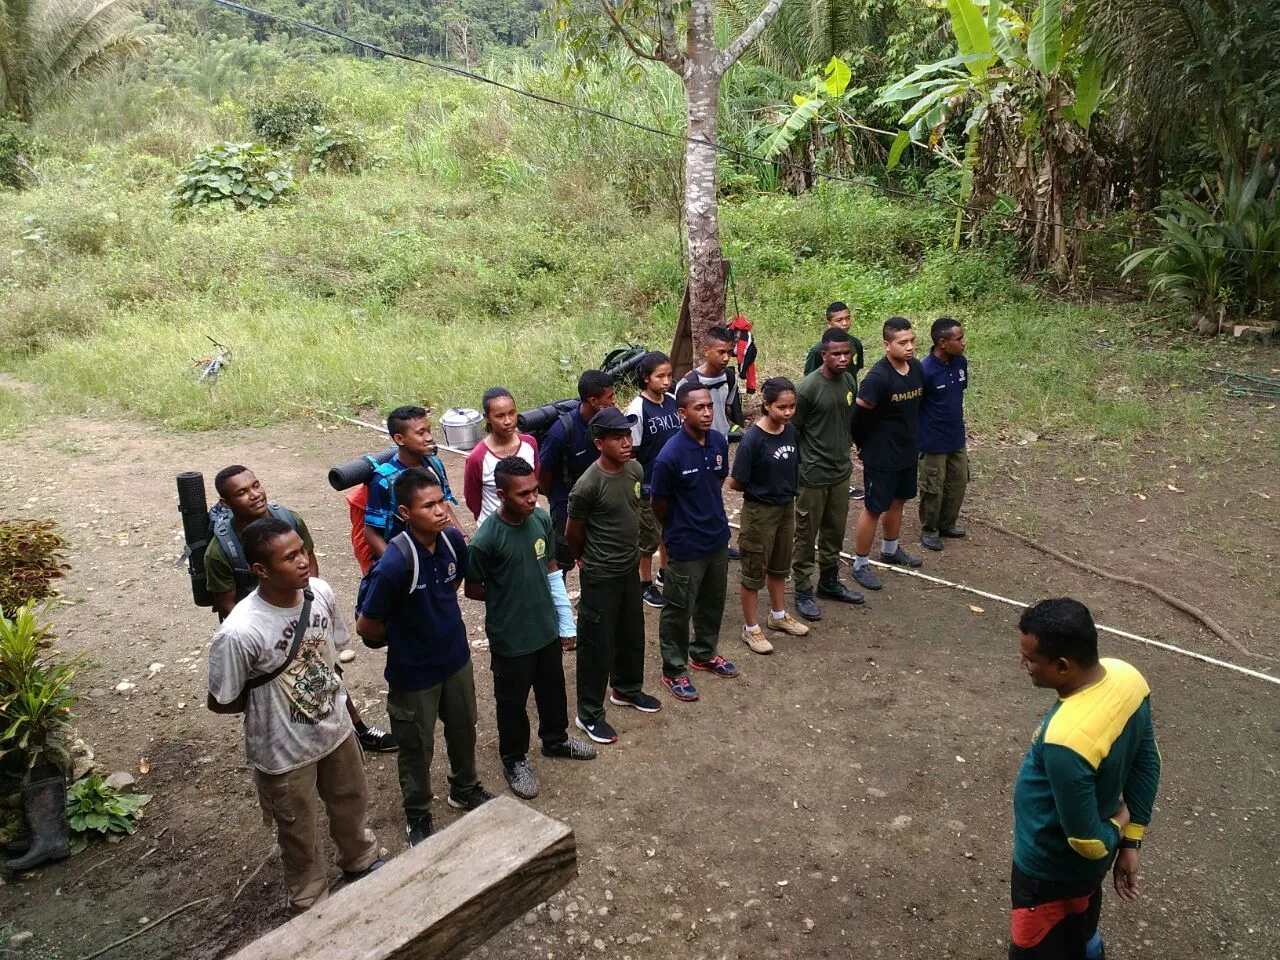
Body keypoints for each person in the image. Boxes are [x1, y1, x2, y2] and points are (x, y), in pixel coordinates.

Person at [207, 517, 381, 913]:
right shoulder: (240, 632)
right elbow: (222, 699)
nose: (303, 561)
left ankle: (360, 859)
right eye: (290, 558)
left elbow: (331, 654)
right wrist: (270, 701)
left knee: (351, 801)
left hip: (335, 730)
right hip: (283, 751)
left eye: (302, 550)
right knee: (297, 829)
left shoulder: (320, 593)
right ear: (261, 570)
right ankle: (310, 898)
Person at [207, 464, 395, 753]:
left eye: (255, 485)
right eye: (242, 493)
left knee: (328, 670)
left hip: (302, 612)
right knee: (279, 690)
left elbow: (310, 560)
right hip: (263, 629)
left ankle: (356, 728)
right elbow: (227, 605)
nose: (254, 495)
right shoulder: (221, 550)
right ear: (226, 503)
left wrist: (309, 606)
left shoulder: (287, 519)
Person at [1012, 598, 1161, 960]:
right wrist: (1131, 841)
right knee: (1082, 926)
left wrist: (1121, 821)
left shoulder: (1066, 740)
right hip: (1087, 872)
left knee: (1032, 948)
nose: (1023, 664)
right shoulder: (1127, 678)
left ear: (1063, 666)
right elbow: (1147, 763)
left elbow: (1089, 842)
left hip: (1048, 867)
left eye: (1031, 659)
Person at [356, 468, 493, 847]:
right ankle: (417, 813)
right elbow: (367, 625)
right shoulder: (394, 563)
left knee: (463, 728)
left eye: (441, 501)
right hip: (414, 674)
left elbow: (454, 582)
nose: (440, 511)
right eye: (428, 506)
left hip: (456, 660)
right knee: (416, 746)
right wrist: (409, 636)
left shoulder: (451, 540)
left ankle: (465, 788)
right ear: (404, 512)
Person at [465, 457, 596, 799]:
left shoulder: (540, 519)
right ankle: (514, 759)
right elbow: (473, 588)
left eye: (535, 490)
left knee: (553, 689)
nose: (532, 498)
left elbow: (551, 567)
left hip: (545, 629)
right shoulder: (485, 540)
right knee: (512, 702)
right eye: (522, 494)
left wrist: (565, 622)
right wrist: (510, 594)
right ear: (501, 494)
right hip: (511, 637)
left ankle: (555, 739)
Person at [565, 408, 663, 744]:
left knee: (631, 633)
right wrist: (587, 560)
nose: (626, 442)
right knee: (596, 645)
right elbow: (573, 533)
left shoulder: (634, 469)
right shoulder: (587, 485)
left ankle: (626, 689)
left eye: (628, 435)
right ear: (599, 443)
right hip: (600, 575)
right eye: (618, 437)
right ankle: (588, 713)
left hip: (628, 569)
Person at [650, 382, 739, 701]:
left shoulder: (718, 441)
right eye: (698, 408)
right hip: (686, 545)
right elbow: (659, 503)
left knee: (712, 602)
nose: (706, 412)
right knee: (678, 609)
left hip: (717, 539)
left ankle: (704, 653)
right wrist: (679, 527)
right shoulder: (670, 456)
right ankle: (674, 669)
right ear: (682, 413)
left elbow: (717, 481)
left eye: (709, 406)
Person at [730, 377, 810, 654]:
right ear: (766, 405)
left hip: (786, 508)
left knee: (779, 566)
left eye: (792, 407)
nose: (788, 413)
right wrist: (763, 491)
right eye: (781, 407)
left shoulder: (790, 432)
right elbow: (736, 481)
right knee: (753, 572)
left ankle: (778, 615)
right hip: (760, 513)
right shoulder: (752, 440)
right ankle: (750, 628)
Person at [790, 330, 865, 622]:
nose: (843, 358)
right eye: (836, 354)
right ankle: (802, 589)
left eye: (847, 353)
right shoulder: (808, 388)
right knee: (806, 535)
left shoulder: (848, 381)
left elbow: (848, 421)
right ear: (824, 355)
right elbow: (792, 430)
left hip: (840, 472)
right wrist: (799, 468)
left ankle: (829, 581)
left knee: (834, 531)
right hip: (813, 475)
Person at [850, 317, 926, 591]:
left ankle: (890, 550)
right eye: (902, 342)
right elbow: (858, 418)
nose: (910, 347)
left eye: (912, 341)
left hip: (907, 451)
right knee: (874, 508)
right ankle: (860, 563)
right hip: (881, 455)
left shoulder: (916, 368)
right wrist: (862, 445)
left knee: (899, 501)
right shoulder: (877, 378)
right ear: (887, 345)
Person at [538, 370, 617, 599]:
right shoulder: (561, 432)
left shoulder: (606, 422)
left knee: (596, 554)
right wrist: (556, 498)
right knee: (561, 561)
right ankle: (558, 607)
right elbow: (543, 472)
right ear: (593, 401)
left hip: (598, 504)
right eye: (610, 397)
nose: (614, 401)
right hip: (567, 507)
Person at [364, 405, 465, 560]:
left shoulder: (434, 464)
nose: (429, 438)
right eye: (420, 433)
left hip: (436, 552)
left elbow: (444, 505)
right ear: (399, 439)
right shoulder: (384, 481)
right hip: (406, 556)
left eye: (429, 431)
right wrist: (396, 566)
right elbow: (371, 532)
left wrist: (463, 539)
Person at [624, 351, 681, 608]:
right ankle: (644, 582)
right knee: (648, 535)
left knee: (668, 529)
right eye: (660, 376)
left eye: (669, 375)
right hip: (649, 483)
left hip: (673, 480)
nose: (666, 381)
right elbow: (632, 451)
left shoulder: (672, 401)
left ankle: (664, 571)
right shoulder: (637, 409)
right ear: (646, 378)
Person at [804, 301, 866, 501]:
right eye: (839, 320)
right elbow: (810, 379)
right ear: (829, 323)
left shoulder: (855, 345)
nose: (845, 323)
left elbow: (855, 371)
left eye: (847, 318)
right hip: (825, 402)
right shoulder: (818, 351)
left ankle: (842, 481)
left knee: (844, 437)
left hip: (846, 398)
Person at [918, 317, 969, 552]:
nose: (964, 342)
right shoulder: (924, 370)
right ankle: (930, 529)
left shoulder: (961, 363)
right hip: (933, 440)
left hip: (956, 436)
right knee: (933, 487)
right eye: (959, 339)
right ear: (942, 343)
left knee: (957, 482)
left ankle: (947, 524)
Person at [463, 387, 539, 526]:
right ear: (487, 418)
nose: (508, 421)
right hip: (495, 527)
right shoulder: (477, 458)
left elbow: (535, 480)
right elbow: (472, 500)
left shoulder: (530, 444)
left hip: (529, 521)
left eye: (512, 413)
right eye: (500, 416)